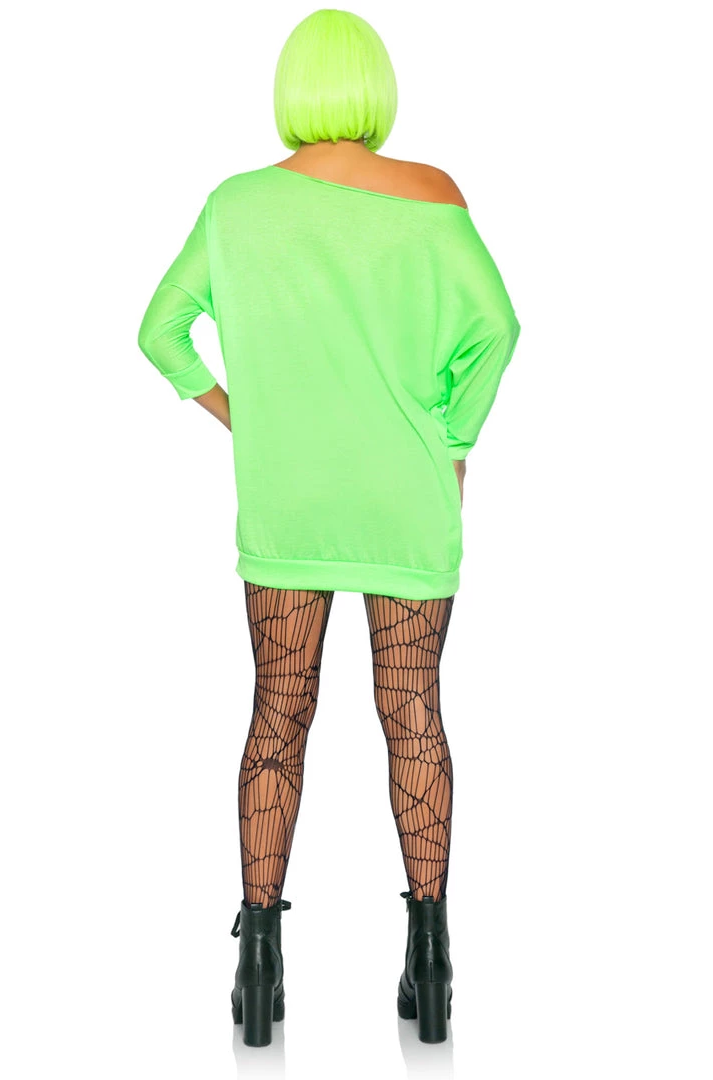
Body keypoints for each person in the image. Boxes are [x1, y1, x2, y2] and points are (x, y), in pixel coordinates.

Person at [137, 7, 521, 1048]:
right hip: (407, 498)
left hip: (289, 497)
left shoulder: (236, 205)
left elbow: (160, 330)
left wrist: (243, 415)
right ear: (377, 88)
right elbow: (498, 328)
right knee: (415, 717)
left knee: (277, 717)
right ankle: (431, 958)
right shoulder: (433, 195)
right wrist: (453, 439)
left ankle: (258, 962)